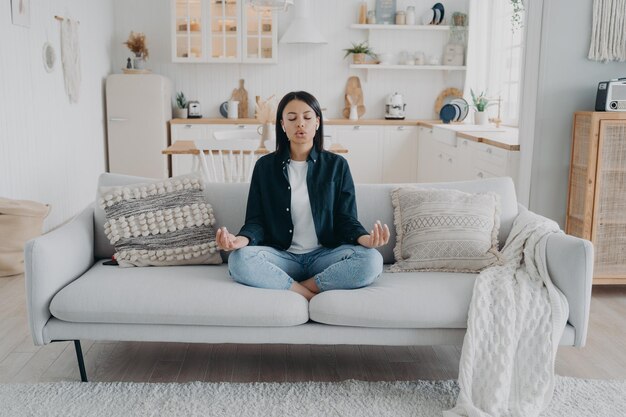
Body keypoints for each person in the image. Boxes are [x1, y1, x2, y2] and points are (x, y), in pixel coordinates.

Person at [215, 91, 390, 300]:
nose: (300, 124)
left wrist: (367, 239)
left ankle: (303, 287)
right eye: (292, 118)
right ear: (282, 124)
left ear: (317, 122)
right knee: (239, 260)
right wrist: (239, 241)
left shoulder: (337, 166)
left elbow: (346, 219)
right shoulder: (265, 167)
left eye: (307, 118)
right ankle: (303, 292)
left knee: (371, 260)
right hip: (281, 256)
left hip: (324, 256)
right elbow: (256, 221)